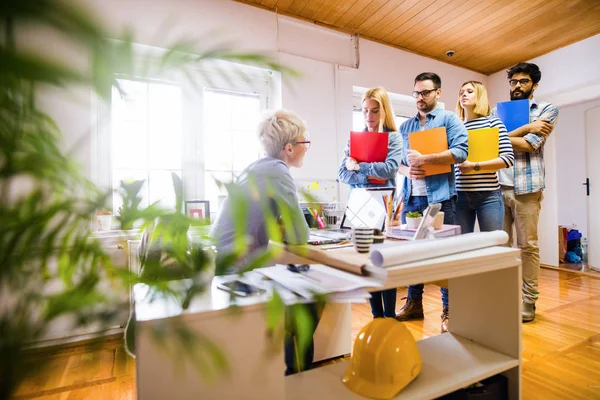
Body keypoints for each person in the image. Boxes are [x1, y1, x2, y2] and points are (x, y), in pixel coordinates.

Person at [210, 109, 320, 375]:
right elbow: (300, 236)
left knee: (301, 290)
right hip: (241, 266)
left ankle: (290, 370)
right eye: (306, 142)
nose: (308, 147)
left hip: (226, 260)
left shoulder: (258, 166)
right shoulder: (279, 171)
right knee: (312, 296)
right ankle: (295, 375)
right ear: (289, 148)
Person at [395, 72, 468, 333]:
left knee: (443, 256)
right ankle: (414, 304)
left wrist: (426, 160)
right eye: (416, 93)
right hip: (412, 198)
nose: (420, 98)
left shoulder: (450, 119)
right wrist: (407, 170)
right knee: (413, 256)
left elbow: (461, 153)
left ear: (438, 93)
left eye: (425, 92)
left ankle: (450, 311)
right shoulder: (405, 127)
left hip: (441, 199)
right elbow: (401, 164)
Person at [491, 62, 559, 322]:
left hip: (527, 188)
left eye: (523, 81)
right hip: (497, 187)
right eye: (513, 82)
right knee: (501, 246)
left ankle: (528, 301)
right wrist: (525, 128)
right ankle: (504, 297)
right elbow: (491, 144)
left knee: (527, 246)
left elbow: (531, 145)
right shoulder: (499, 111)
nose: (517, 86)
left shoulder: (546, 110)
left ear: (534, 85)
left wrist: (511, 136)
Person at [338, 87, 402, 319]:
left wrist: (359, 166)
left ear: (383, 111)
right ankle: (377, 316)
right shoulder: (354, 139)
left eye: (374, 111)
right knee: (367, 260)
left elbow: (389, 170)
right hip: (359, 205)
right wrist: (367, 174)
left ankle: (390, 315)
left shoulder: (393, 137)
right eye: (365, 110)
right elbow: (342, 174)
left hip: (384, 204)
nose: (369, 116)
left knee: (384, 261)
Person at [454, 80, 514, 248]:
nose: (464, 94)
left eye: (470, 91)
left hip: (488, 196)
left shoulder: (493, 123)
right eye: (461, 92)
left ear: (480, 96)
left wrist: (474, 166)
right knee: (460, 248)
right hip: (459, 197)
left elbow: (508, 158)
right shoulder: (456, 127)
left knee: (494, 246)